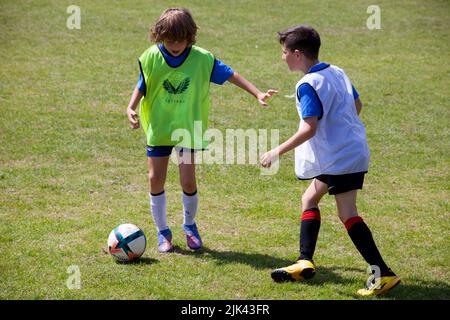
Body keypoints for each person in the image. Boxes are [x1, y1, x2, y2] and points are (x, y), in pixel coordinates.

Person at [260, 25, 400, 296]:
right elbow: (357, 105)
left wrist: (276, 151)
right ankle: (304, 261)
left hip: (339, 157)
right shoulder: (337, 71)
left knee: (347, 213)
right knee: (309, 199)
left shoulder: (306, 85)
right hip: (351, 151)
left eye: (284, 52)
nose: (282, 57)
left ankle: (383, 273)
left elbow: (309, 128)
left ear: (297, 54)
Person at [126, 8, 276, 253]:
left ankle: (189, 225)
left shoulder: (202, 59)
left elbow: (231, 75)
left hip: (187, 128)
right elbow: (143, 83)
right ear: (159, 36)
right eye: (169, 40)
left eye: (180, 40)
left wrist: (257, 92)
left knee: (187, 179)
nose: (175, 45)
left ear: (190, 37)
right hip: (160, 127)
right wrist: (130, 107)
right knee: (155, 179)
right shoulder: (151, 57)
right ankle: (163, 232)